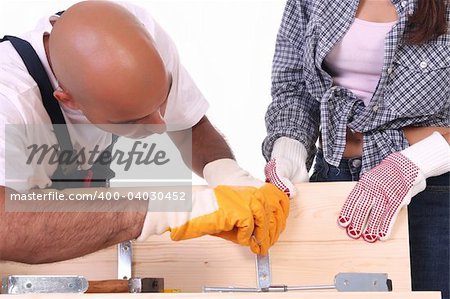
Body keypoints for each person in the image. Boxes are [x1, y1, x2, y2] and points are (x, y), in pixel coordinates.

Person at [0, 1, 289, 264]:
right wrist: (169, 210)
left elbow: (189, 123)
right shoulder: (10, 101)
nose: (160, 124)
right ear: (69, 99)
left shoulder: (133, 36)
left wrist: (228, 175)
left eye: (160, 101)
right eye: (134, 119)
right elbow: (7, 228)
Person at [263, 0, 449, 298]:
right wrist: (289, 149)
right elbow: (294, 87)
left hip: (433, 194)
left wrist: (416, 163)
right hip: (334, 182)